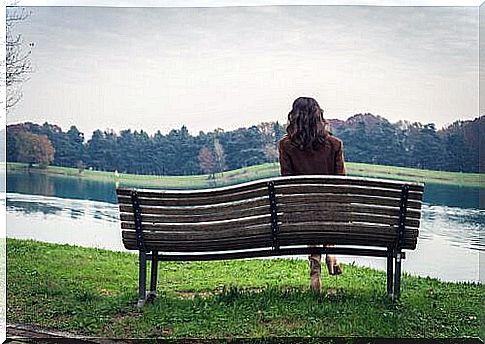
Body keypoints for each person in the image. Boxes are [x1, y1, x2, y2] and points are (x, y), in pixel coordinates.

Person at [278, 96, 345, 291]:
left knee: (309, 209)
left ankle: (315, 271)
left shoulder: (285, 145)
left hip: (301, 216)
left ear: (294, 118)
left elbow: (287, 186)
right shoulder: (335, 144)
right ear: (319, 117)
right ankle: (330, 250)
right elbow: (341, 187)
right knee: (325, 208)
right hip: (330, 217)